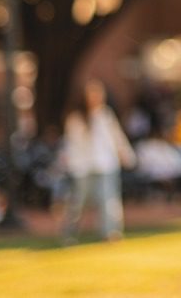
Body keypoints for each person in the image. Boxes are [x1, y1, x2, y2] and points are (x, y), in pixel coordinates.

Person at [59, 78, 136, 245]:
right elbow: (70, 144)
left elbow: (117, 138)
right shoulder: (75, 118)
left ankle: (110, 233)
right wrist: (68, 163)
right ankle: (69, 234)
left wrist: (127, 155)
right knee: (78, 202)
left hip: (105, 164)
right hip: (82, 167)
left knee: (109, 201)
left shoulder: (105, 115)